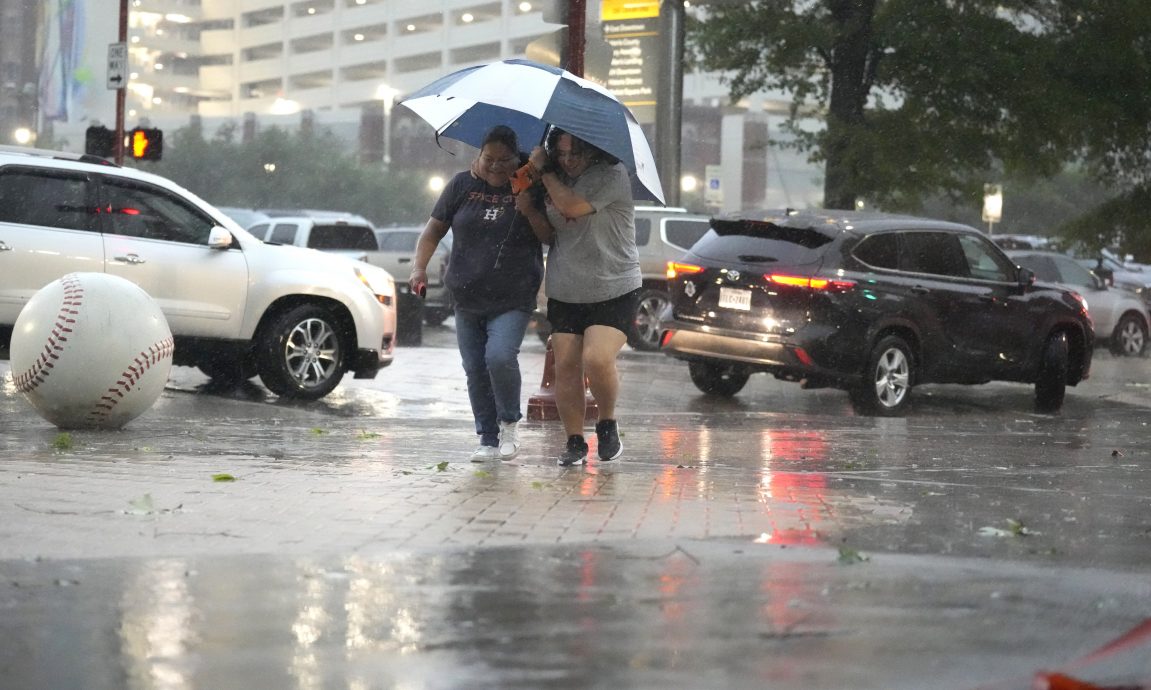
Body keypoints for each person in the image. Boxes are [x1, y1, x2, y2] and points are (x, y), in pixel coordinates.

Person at [409, 125, 543, 462]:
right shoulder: (461, 185)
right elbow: (432, 232)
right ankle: (487, 436)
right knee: (474, 368)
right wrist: (418, 268)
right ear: (478, 156)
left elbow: (550, 235)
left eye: (504, 159)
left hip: (513, 294)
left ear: (517, 158)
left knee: (498, 357)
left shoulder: (531, 185)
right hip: (467, 294)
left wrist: (527, 204)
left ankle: (509, 422)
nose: (496, 165)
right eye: (489, 158)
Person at [514, 128, 640, 466]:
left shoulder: (611, 176)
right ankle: (574, 440)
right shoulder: (547, 179)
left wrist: (548, 172)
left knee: (597, 358)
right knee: (565, 364)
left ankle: (607, 422)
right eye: (563, 153)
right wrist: (529, 209)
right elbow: (548, 234)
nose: (569, 161)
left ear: (593, 152)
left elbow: (571, 206)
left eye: (577, 154)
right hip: (567, 287)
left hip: (615, 284)